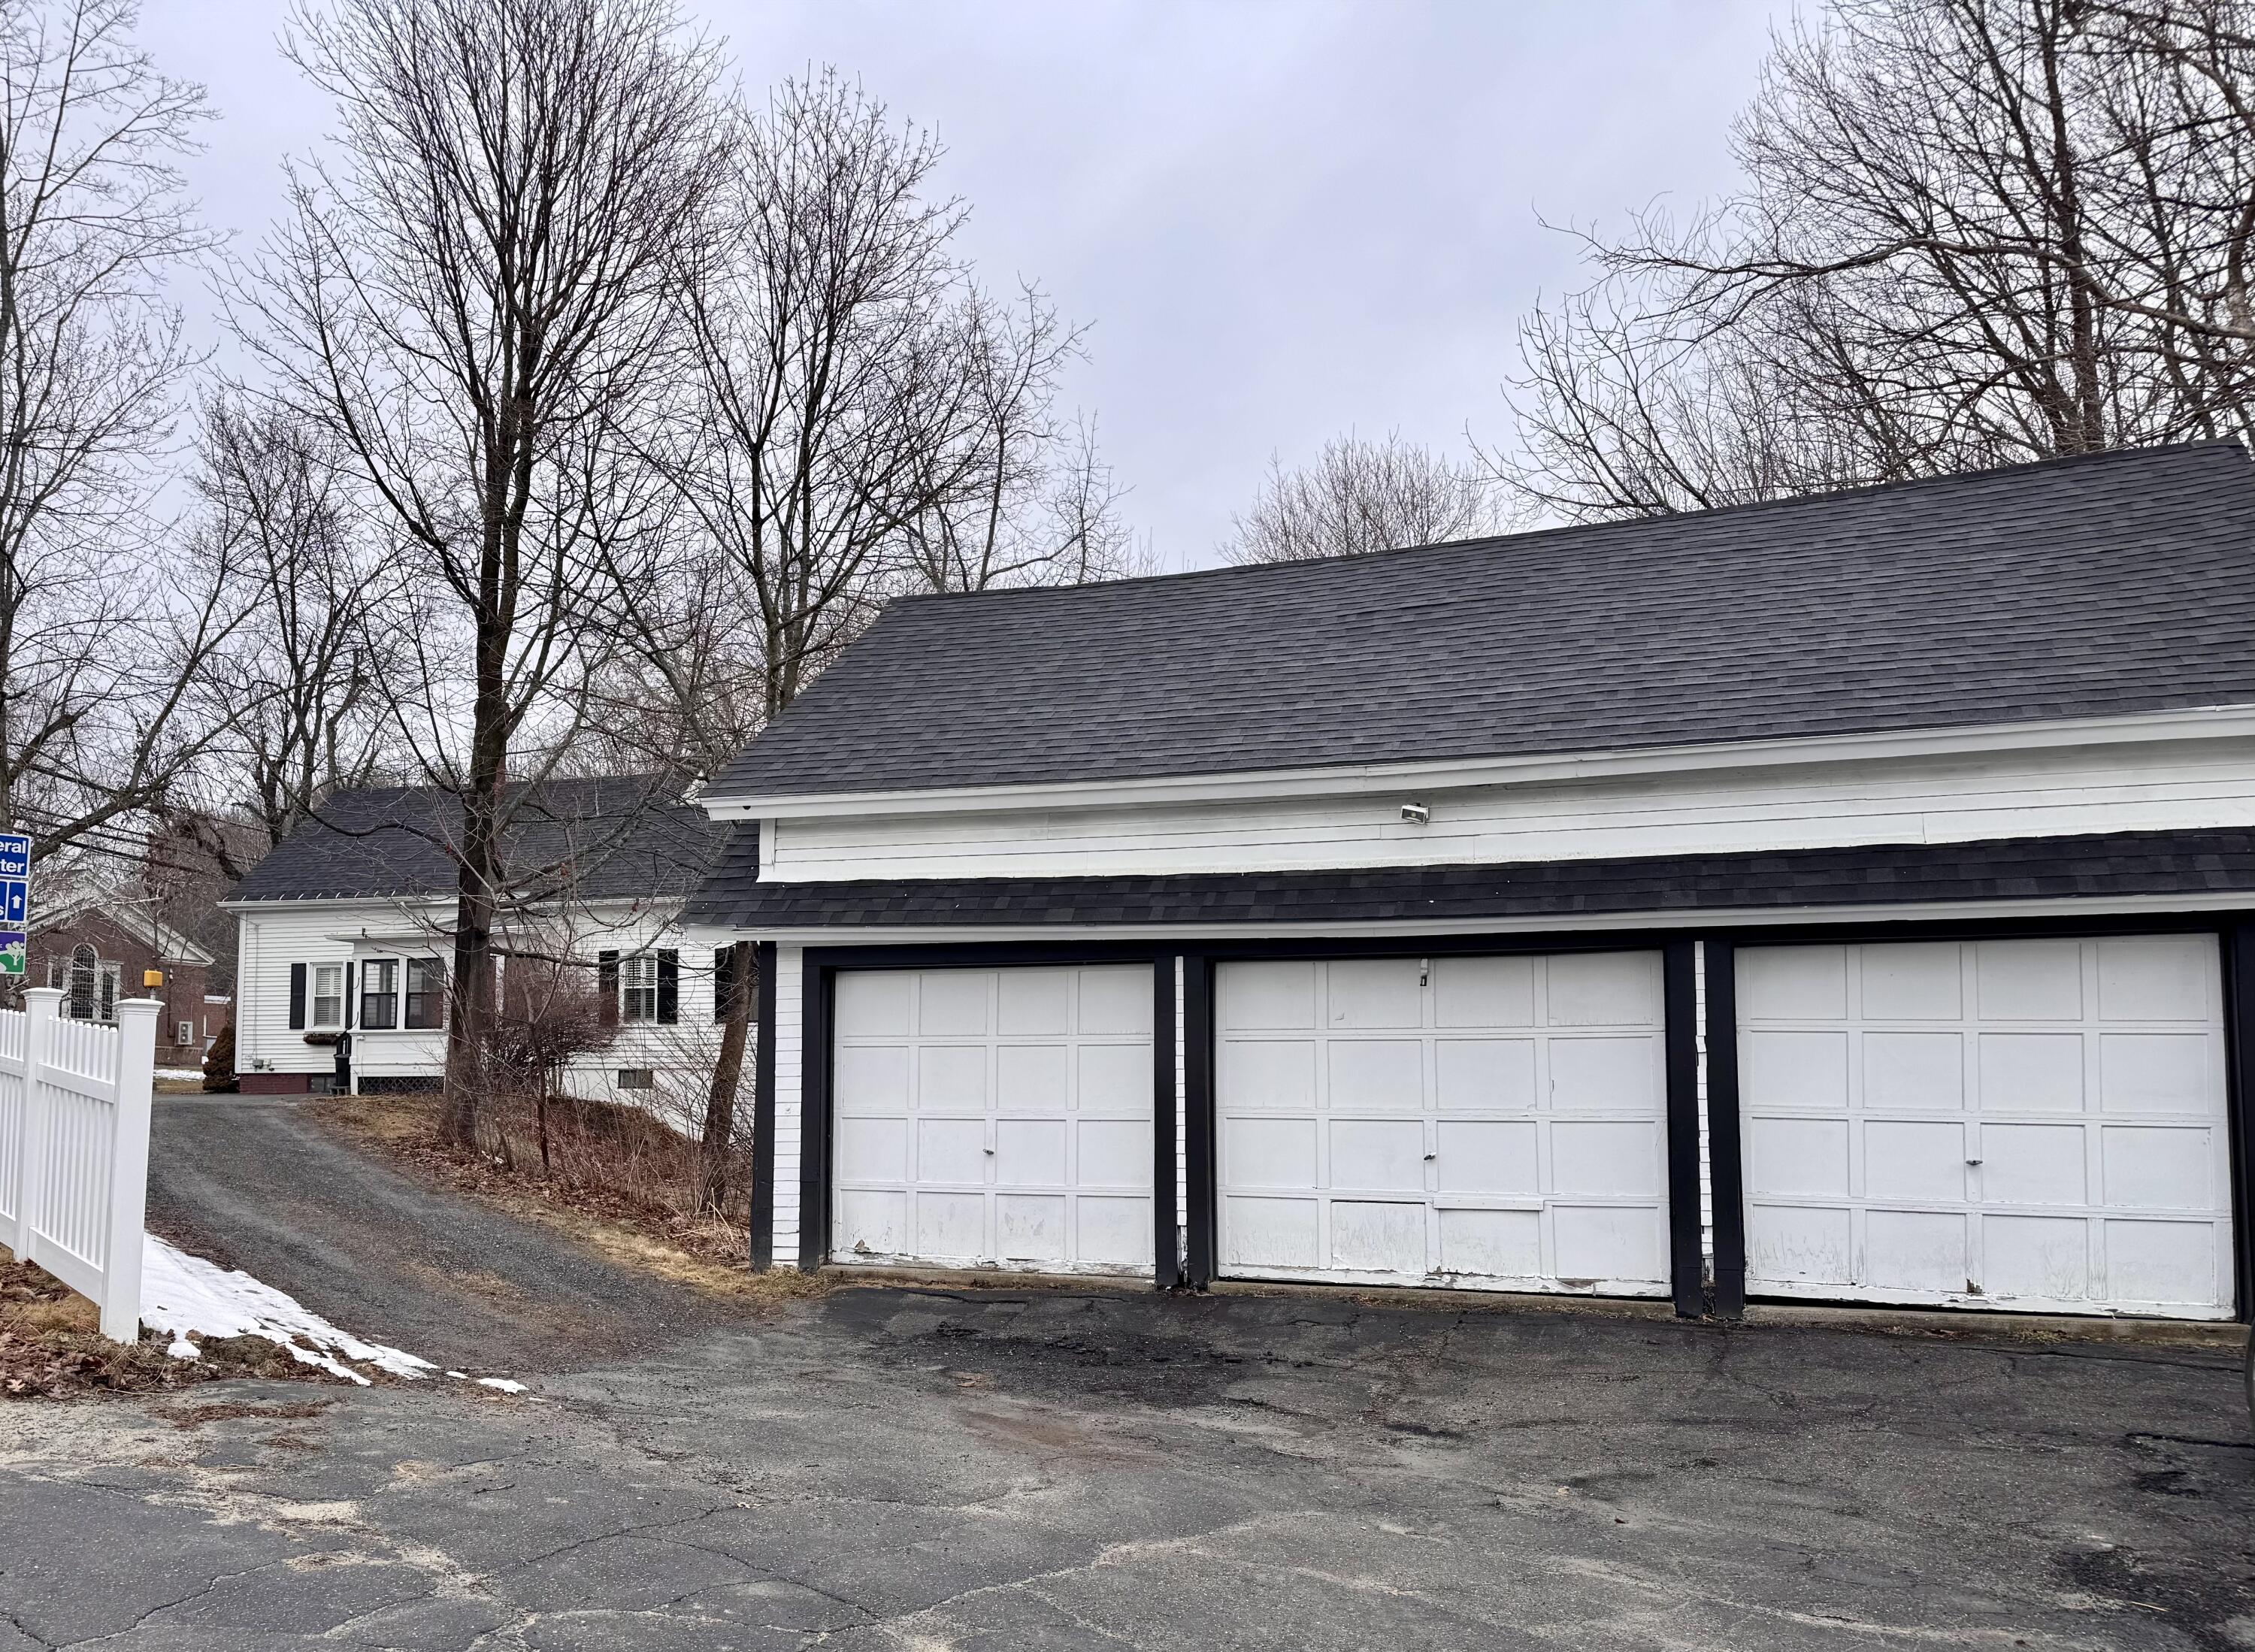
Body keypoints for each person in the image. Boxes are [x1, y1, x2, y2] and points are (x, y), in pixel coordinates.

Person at [333, 1027, 353, 1097]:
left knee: (344, 1072)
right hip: (341, 1060)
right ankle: (340, 1086)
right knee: (341, 1072)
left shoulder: (347, 1036)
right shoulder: (344, 1038)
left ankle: (342, 1085)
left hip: (342, 1060)